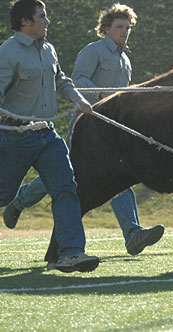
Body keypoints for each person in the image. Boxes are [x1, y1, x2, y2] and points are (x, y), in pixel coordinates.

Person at [2, 3, 165, 257]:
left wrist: (83, 99)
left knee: (77, 183)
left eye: (128, 27)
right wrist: (98, 95)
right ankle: (19, 201)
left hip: (83, 131)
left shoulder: (119, 59)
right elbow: (79, 79)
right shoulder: (91, 51)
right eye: (120, 27)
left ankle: (83, 248)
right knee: (24, 186)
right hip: (63, 131)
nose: (125, 31)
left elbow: (62, 80)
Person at [0, 0, 99, 272]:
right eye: (42, 16)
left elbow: (60, 81)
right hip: (17, 135)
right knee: (3, 194)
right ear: (25, 22)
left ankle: (71, 253)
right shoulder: (8, 53)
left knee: (66, 188)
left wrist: (77, 98)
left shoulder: (49, 49)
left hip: (48, 135)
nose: (47, 21)